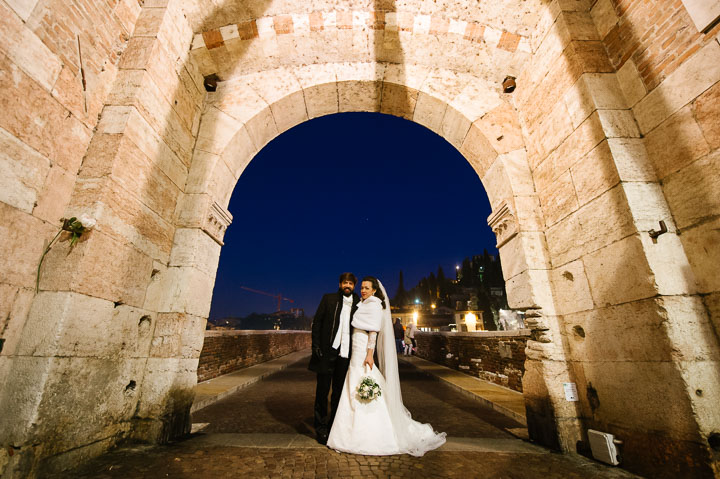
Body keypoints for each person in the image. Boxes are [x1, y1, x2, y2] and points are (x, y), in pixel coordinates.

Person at [327, 277, 446, 456]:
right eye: (362, 288)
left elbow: (373, 330)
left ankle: (369, 434)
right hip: (356, 347)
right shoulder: (363, 304)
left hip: (363, 350)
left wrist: (369, 354)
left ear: (375, 290)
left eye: (367, 288)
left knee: (363, 380)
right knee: (353, 382)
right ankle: (348, 431)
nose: (364, 290)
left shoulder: (374, 305)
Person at [308, 273, 360, 445]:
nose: (348, 286)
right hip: (327, 352)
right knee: (322, 392)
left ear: (354, 286)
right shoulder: (328, 299)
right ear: (339, 284)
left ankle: (333, 427)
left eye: (351, 283)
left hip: (345, 355)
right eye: (345, 283)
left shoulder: (359, 303)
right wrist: (316, 346)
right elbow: (317, 323)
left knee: (339, 393)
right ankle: (321, 428)